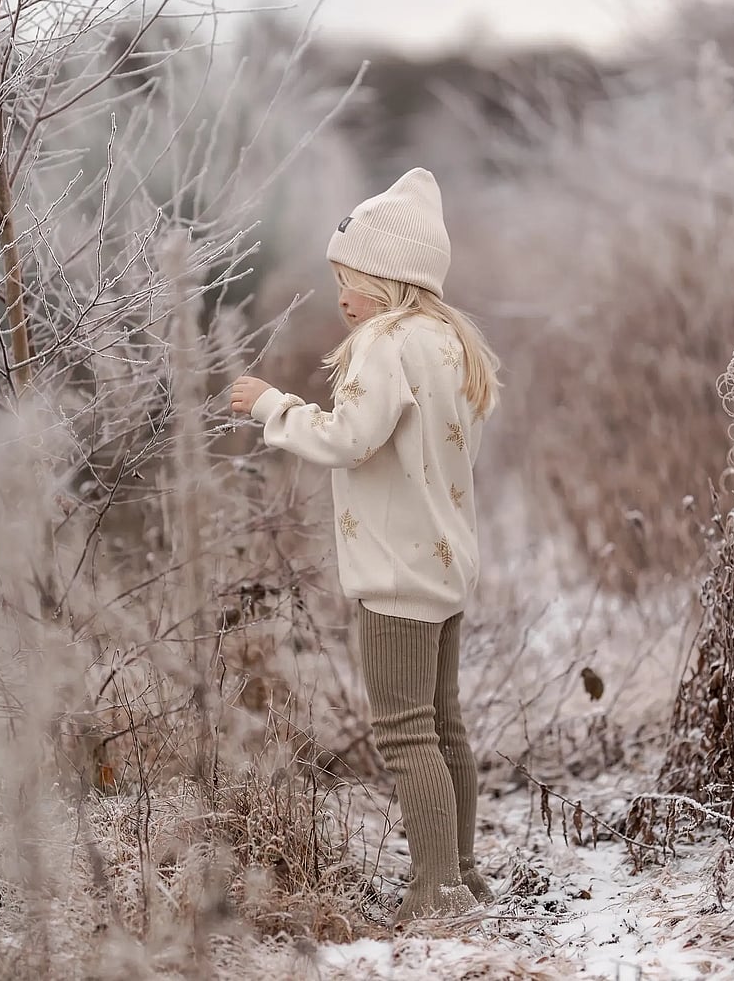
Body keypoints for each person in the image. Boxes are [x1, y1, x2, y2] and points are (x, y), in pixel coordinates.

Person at [230, 168, 500, 922]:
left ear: (387, 278)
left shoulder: (382, 345)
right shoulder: (452, 343)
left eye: (348, 277)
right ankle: (463, 873)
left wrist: (273, 407)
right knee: (443, 726)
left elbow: (349, 438)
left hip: (395, 571)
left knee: (405, 731)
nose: (340, 295)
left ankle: (438, 891)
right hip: (445, 563)